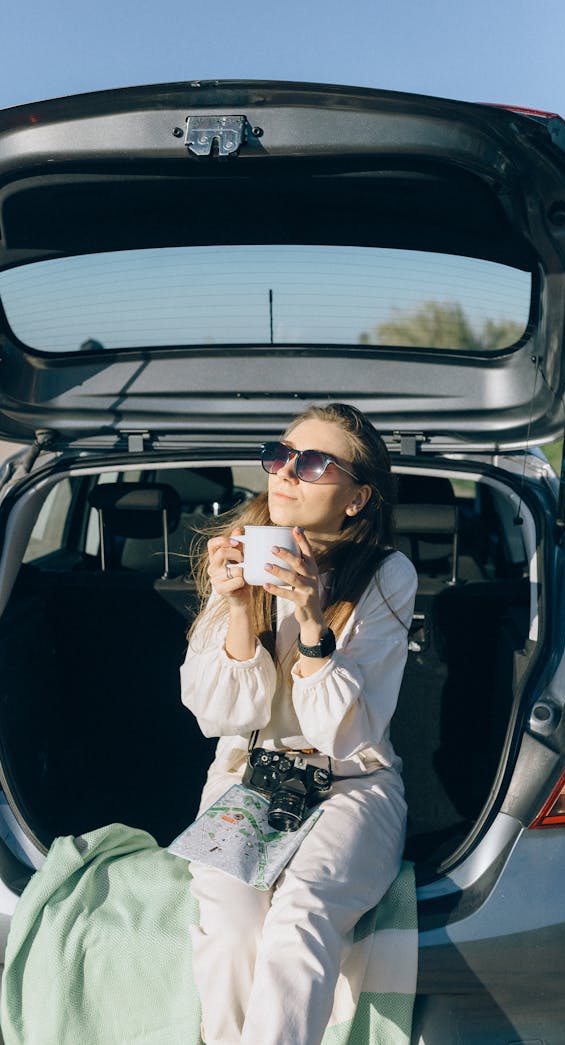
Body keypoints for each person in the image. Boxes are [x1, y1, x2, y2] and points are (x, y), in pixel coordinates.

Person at [180, 402, 418, 1045]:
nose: (286, 472)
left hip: (351, 784)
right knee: (230, 930)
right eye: (280, 455)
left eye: (313, 463)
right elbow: (219, 717)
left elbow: (350, 734)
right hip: (248, 783)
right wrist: (233, 609)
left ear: (357, 498)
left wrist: (313, 623)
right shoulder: (238, 554)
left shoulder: (385, 575)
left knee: (300, 919)